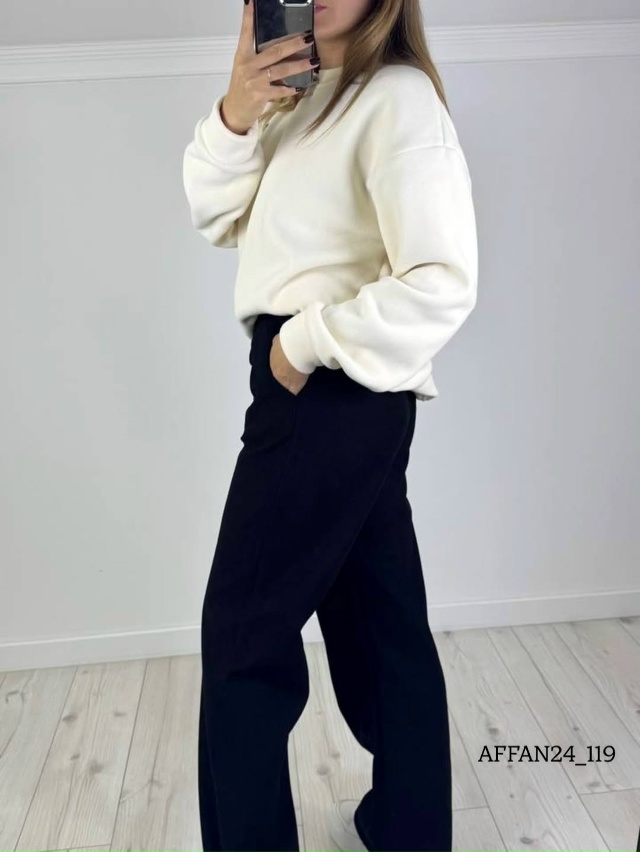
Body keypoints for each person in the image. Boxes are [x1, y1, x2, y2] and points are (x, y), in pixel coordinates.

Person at [182, 0, 478, 849]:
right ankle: (409, 829)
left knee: (242, 638)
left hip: (328, 384)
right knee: (380, 625)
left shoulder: (396, 98)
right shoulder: (299, 96)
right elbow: (216, 217)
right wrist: (238, 111)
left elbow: (442, 280)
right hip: (327, 387)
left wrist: (302, 346)